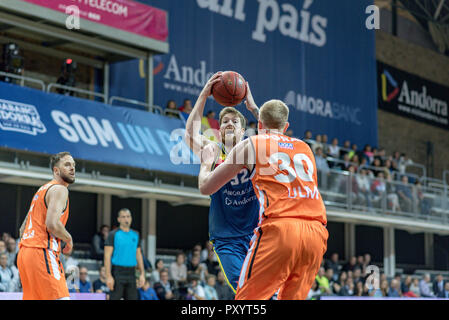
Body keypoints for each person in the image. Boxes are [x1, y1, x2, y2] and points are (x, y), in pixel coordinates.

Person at [198, 99, 328, 300]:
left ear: (258, 125)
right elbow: (275, 136)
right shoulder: (305, 148)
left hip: (282, 229)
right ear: (286, 127)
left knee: (247, 301)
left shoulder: (253, 143)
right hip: (316, 235)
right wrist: (253, 107)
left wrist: (206, 164)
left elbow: (206, 187)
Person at [184, 72, 260, 294]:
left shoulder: (254, 150)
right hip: (227, 238)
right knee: (244, 289)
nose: (228, 123)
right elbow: (190, 133)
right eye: (224, 121)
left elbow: (274, 133)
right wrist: (204, 95)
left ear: (243, 130)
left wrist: (253, 106)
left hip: (257, 234)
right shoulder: (213, 150)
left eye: (234, 121)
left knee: (266, 289)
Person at [17, 151, 75, 300]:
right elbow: (52, 224)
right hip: (41, 251)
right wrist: (68, 239)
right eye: (67, 165)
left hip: (25, 253)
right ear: (56, 170)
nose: (72, 168)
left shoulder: (42, 190)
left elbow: (22, 229)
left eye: (74, 165)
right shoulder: (60, 189)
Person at [104, 208, 145, 300]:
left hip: (131, 273)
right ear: (119, 219)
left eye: (128, 216)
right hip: (117, 272)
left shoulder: (136, 234)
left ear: (131, 218)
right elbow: (107, 256)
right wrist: (108, 276)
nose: (126, 219)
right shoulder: (113, 234)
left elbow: (138, 255)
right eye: (123, 217)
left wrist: (142, 274)